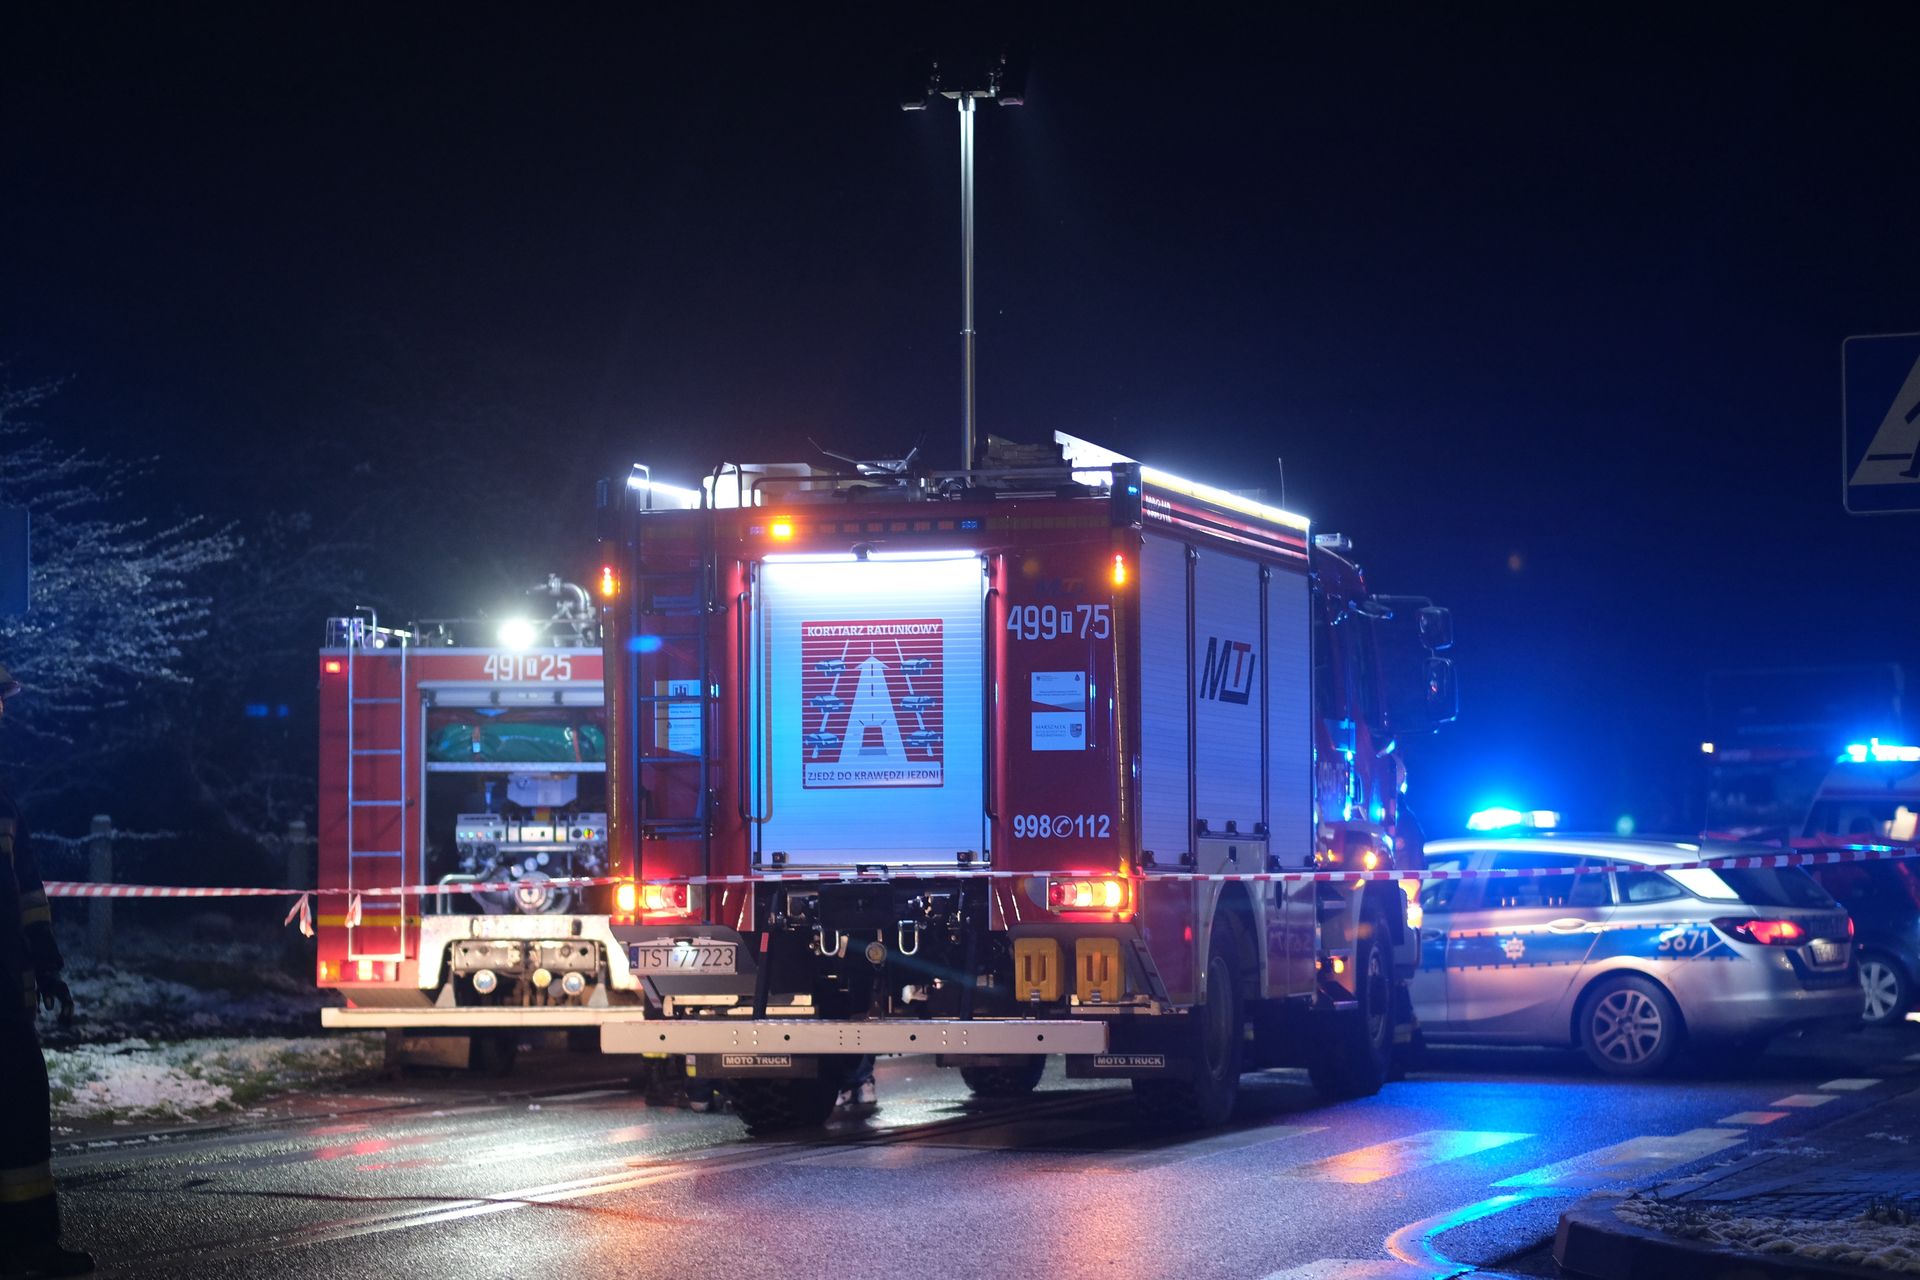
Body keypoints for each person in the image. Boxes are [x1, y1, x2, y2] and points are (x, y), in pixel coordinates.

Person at [0, 665, 93, 1278]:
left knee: (22, 1111)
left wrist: (46, 959)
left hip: (7, 993)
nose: (1, 713)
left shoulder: (4, 801)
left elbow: (27, 889)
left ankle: (30, 1244)